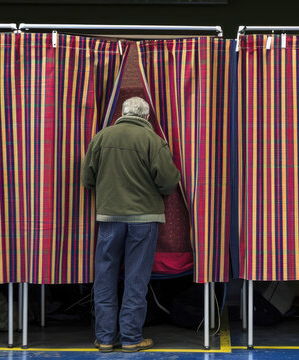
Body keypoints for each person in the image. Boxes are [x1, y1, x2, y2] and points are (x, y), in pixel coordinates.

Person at [81, 97, 180, 353]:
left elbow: (87, 178)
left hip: (109, 218)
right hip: (144, 220)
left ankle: (104, 338)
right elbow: (168, 182)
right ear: (146, 117)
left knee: (105, 277)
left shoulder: (102, 137)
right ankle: (131, 338)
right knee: (136, 279)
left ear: (122, 113)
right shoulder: (154, 141)